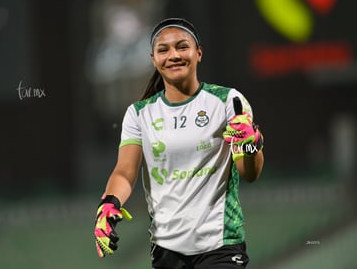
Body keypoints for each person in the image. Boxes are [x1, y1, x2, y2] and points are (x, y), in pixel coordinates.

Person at [94, 17, 264, 269]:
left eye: (182, 47)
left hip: (221, 246)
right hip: (167, 251)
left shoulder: (228, 101)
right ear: (153, 59)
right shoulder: (139, 113)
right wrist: (108, 204)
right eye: (163, 50)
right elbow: (125, 172)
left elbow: (250, 173)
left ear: (199, 53)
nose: (173, 55)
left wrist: (251, 144)